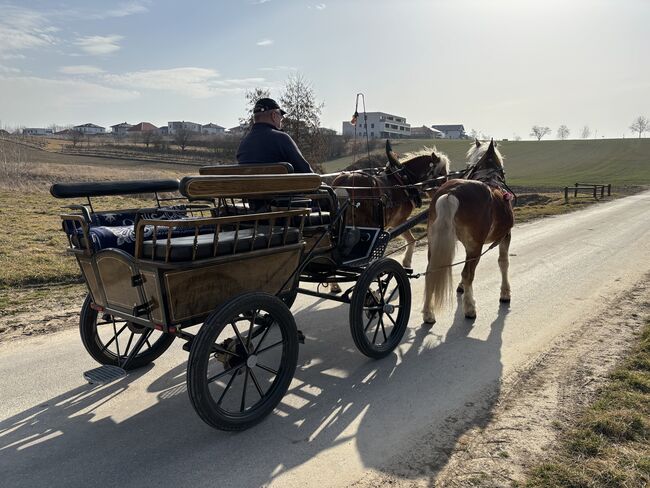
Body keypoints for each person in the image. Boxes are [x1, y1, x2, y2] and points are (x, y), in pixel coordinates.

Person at [236, 97, 314, 173]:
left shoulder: (243, 144)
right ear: (273, 115)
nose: (281, 120)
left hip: (249, 186)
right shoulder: (281, 138)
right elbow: (307, 173)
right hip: (281, 186)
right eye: (280, 116)